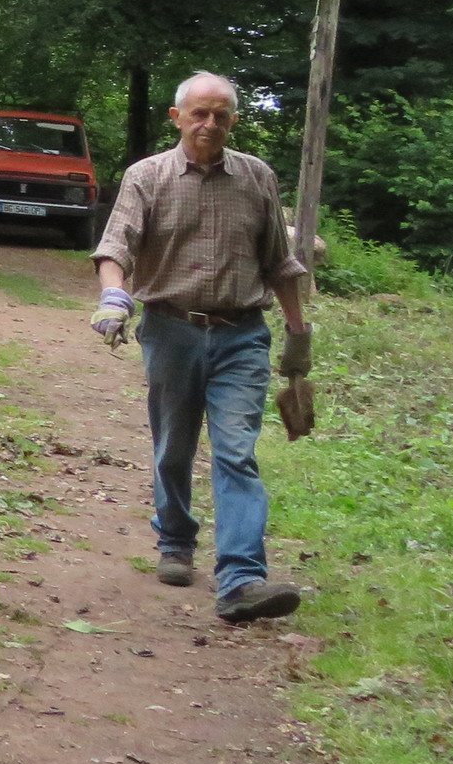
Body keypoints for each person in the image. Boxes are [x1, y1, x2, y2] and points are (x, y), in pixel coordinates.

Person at [89, 72, 310, 623]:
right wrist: (114, 297)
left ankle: (241, 578)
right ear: (177, 117)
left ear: (234, 120)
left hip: (242, 334)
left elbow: (279, 262)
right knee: (174, 446)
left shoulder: (256, 177)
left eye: (221, 115)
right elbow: (117, 245)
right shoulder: (147, 176)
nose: (210, 124)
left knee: (236, 452)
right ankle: (175, 540)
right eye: (200, 114)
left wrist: (298, 335)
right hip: (171, 331)